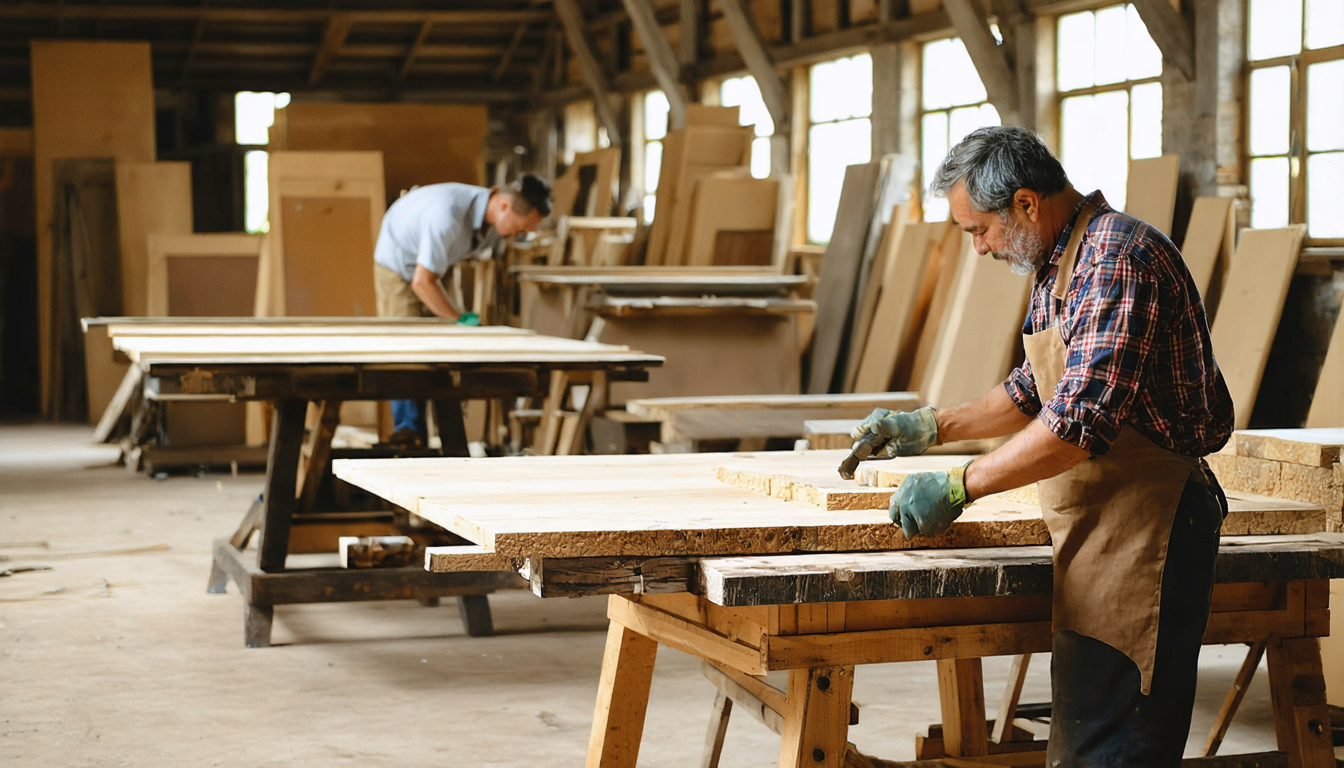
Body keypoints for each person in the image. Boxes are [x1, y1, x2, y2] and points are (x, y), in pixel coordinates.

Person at [846, 126, 1233, 767]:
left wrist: (959, 485)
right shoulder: (1060, 263)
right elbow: (1035, 388)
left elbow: (1080, 421)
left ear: (1026, 203)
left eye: (980, 231)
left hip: (1151, 527)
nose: (978, 250)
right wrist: (931, 426)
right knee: (1086, 741)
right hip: (1102, 521)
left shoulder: (1115, 260)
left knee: (1119, 747)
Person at [374, 174, 552, 446]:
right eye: (520, 228)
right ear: (504, 206)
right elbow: (422, 282)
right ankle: (409, 432)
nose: (519, 235)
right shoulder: (447, 216)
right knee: (406, 347)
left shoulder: (484, 217)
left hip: (435, 266)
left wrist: (455, 320)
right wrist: (459, 317)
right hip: (399, 264)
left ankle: (447, 427)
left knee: (447, 339)